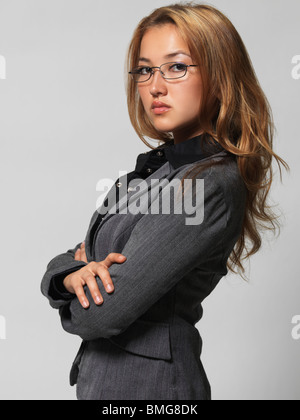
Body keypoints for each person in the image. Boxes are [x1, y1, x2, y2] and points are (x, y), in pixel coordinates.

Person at [41, 2, 289, 400]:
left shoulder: (208, 184)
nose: (155, 86)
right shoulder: (150, 173)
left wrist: (68, 291)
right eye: (144, 69)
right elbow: (73, 255)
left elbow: (102, 314)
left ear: (221, 76)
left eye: (177, 67)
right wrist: (70, 275)